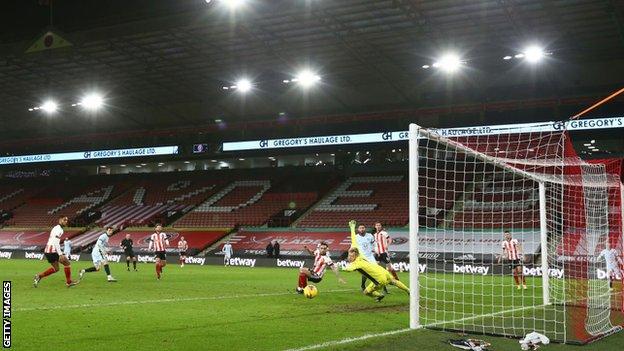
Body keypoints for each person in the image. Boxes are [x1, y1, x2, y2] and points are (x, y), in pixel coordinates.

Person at [342, 220, 409, 301]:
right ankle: (408, 290)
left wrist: (342, 266)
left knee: (366, 292)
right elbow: (353, 239)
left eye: (350, 255)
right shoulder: (360, 254)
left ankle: (380, 294)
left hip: (379, 279)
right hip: (382, 271)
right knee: (392, 281)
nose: (349, 256)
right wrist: (352, 227)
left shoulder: (356, 263)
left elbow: (347, 269)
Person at [33, 216, 79, 288]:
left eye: (67, 220)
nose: (66, 221)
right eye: (64, 220)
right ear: (60, 220)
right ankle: (69, 282)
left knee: (56, 269)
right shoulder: (59, 229)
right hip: (52, 250)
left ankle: (39, 276)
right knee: (67, 263)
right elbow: (56, 242)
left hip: (47, 251)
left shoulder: (56, 228)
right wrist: (60, 254)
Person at [373, 222, 400, 294]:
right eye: (377, 225)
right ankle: (383, 288)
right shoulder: (375, 235)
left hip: (384, 253)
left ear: (381, 226)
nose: (378, 226)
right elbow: (376, 244)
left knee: (390, 268)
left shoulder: (384, 233)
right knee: (379, 270)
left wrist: (387, 245)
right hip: (377, 254)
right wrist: (376, 251)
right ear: (375, 226)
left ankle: (397, 279)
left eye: (379, 225)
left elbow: (390, 239)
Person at [353, 223, 376, 291]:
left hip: (370, 256)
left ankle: (375, 285)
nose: (362, 229)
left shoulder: (370, 235)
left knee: (376, 270)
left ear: (365, 228)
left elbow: (374, 244)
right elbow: (354, 247)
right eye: (360, 228)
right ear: (358, 229)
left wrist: (374, 251)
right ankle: (363, 285)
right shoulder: (356, 237)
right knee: (366, 272)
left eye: (363, 228)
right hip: (362, 257)